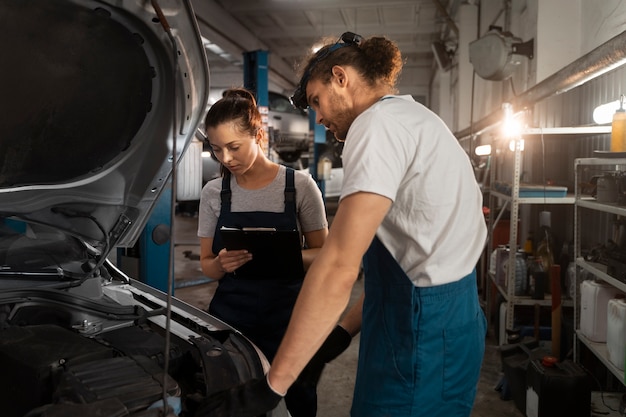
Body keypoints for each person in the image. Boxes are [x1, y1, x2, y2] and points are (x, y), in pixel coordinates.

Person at [198, 32, 488, 417]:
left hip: (421, 335)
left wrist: (272, 386)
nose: (318, 117)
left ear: (340, 77)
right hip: (437, 319)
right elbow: (413, 263)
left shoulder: (375, 127)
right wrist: (341, 332)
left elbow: (338, 266)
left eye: (317, 100)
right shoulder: (414, 118)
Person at [196, 88, 332, 417]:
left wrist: (280, 257)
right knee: (238, 398)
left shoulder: (299, 186)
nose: (225, 159)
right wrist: (220, 264)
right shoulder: (214, 192)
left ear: (258, 135)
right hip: (233, 316)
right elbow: (206, 266)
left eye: (234, 147)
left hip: (290, 316)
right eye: (216, 150)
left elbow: (326, 256)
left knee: (301, 394)